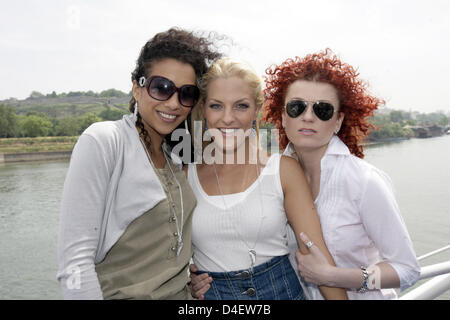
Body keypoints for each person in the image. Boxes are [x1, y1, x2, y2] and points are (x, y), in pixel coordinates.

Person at [56, 28, 221, 299]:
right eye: (161, 88)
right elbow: (74, 264)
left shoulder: (176, 159)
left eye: (186, 93)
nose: (173, 103)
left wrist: (187, 278)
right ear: (137, 86)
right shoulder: (105, 141)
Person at [261, 49, 420, 299]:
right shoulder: (272, 179)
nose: (308, 117)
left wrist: (333, 276)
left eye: (322, 110)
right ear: (282, 116)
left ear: (337, 121)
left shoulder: (364, 182)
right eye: (296, 107)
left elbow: (407, 270)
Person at [187, 57, 348, 300]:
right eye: (216, 106)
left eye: (240, 106)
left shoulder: (284, 170)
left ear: (256, 109)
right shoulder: (185, 176)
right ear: (204, 109)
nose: (228, 118)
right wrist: (186, 282)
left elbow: (315, 252)